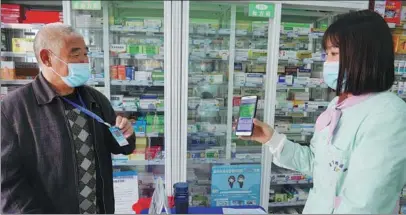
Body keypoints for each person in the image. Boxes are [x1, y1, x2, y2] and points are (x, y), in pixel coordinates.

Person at [239, 10, 406, 214]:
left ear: (363, 56)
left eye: (334, 54)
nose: (327, 62)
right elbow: (319, 164)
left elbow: (365, 203)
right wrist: (272, 140)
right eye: (327, 54)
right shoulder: (339, 103)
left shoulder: (388, 114)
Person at [1, 23, 136, 214]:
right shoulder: (13, 109)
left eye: (85, 54)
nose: (83, 61)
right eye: (75, 55)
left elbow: (121, 146)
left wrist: (126, 134)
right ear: (46, 58)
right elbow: (7, 184)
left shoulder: (95, 99)